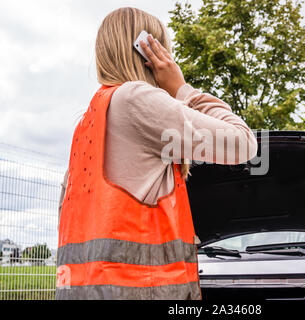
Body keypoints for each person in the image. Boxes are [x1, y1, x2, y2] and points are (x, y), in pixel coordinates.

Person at [56, 7, 258, 300]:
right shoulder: (134, 98)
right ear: (151, 55)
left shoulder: (89, 122)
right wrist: (181, 88)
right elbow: (243, 143)